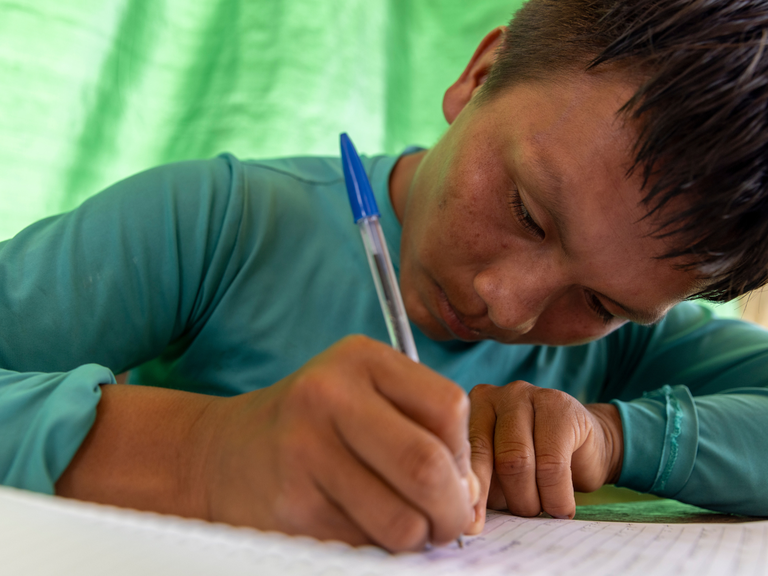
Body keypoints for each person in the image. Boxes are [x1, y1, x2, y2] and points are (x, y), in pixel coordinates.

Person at [2, 0, 768, 553]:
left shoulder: (621, 350)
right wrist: (206, 453)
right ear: (480, 74)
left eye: (600, 302)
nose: (505, 306)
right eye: (528, 212)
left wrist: (612, 435)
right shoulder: (225, 222)